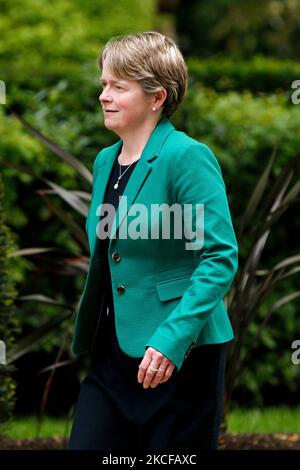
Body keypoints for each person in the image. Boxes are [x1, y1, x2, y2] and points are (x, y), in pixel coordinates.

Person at [68, 31, 238, 451]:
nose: (104, 95)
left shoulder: (187, 157)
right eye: (104, 84)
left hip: (180, 354)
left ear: (157, 97)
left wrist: (170, 341)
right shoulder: (107, 160)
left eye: (118, 87)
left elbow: (219, 256)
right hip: (112, 354)